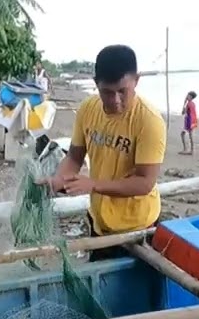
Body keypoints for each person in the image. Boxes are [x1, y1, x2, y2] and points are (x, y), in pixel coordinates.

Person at [41, 45, 166, 259]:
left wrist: (93, 185)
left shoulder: (149, 121)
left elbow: (145, 183)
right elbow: (74, 157)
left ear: (136, 80)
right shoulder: (88, 109)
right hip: (98, 222)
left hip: (137, 227)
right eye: (107, 92)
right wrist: (58, 180)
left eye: (122, 91)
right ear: (95, 83)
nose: (115, 100)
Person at [180, 90, 198, 155]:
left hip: (188, 121)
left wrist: (184, 103)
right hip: (193, 121)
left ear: (190, 97)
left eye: (188, 95)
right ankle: (192, 150)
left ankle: (185, 149)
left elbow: (183, 112)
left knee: (182, 134)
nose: (187, 96)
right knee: (190, 135)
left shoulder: (188, 104)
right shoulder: (193, 104)